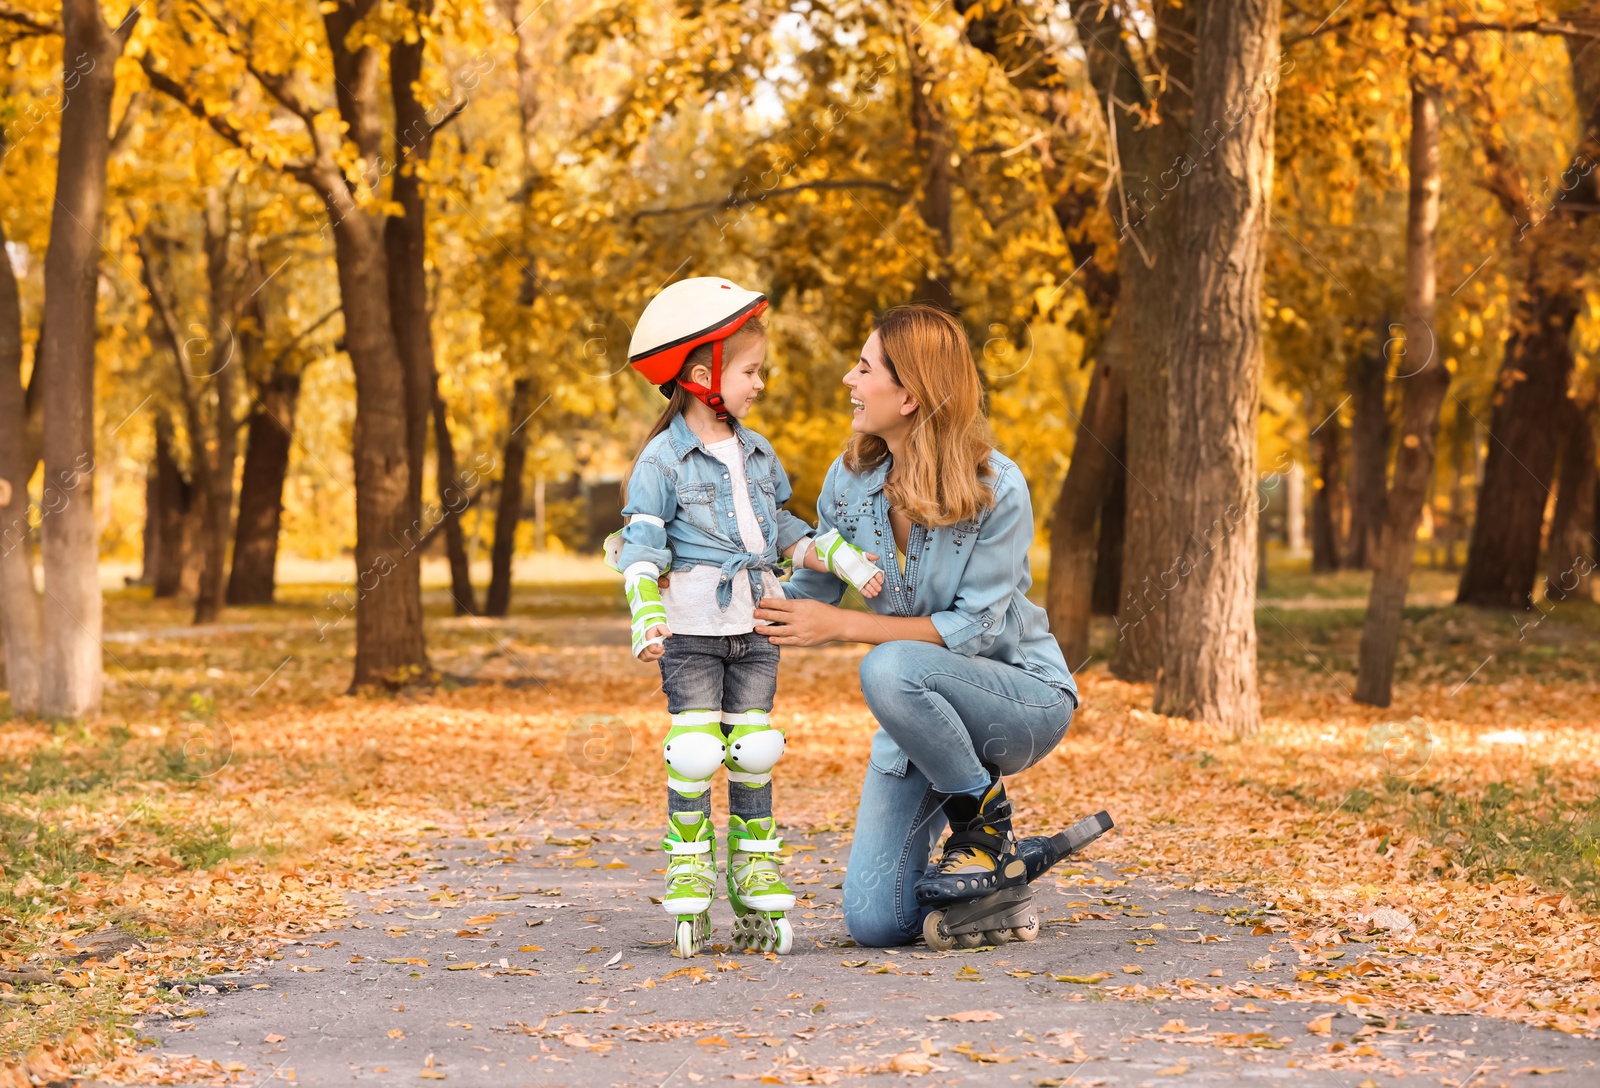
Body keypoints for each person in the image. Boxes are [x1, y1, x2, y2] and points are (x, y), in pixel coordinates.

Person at [755, 303, 1079, 947]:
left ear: (910, 395)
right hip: (916, 720)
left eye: (865, 367)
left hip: (1021, 700)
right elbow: (803, 596)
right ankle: (999, 892)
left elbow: (977, 632)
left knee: (887, 663)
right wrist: (704, 589)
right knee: (877, 922)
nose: (850, 378)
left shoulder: (998, 487)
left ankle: (982, 821)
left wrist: (841, 626)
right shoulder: (849, 483)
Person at [612, 277, 884, 957]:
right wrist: (645, 611)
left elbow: (783, 528)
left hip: (756, 625)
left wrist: (837, 556)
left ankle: (754, 866)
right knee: (698, 752)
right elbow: (641, 545)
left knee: (755, 752)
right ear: (704, 376)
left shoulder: (758, 452)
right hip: (694, 633)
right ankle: (690, 865)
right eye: (751, 371)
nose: (760, 383)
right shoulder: (662, 460)